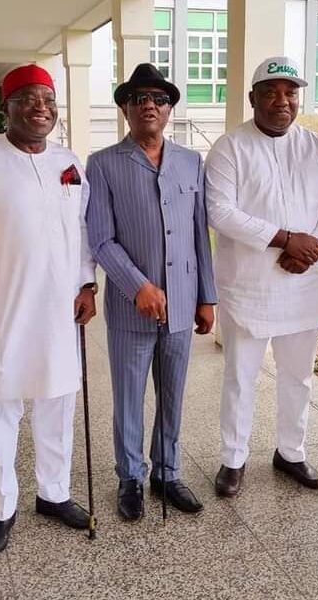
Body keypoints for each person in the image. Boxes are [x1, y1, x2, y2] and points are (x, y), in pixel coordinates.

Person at [0, 64, 97, 555]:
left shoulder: (69, 162)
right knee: (1, 410)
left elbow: (82, 230)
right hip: (1, 311)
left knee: (58, 404)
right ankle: (0, 509)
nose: (40, 108)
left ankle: (54, 494)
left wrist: (87, 282)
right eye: (28, 99)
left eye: (48, 100)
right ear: (6, 107)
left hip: (59, 311)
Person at [205, 56, 318, 497]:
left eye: (290, 92)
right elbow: (220, 211)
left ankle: (291, 452)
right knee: (241, 377)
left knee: (298, 377)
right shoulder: (230, 147)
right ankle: (233, 458)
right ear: (253, 98)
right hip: (249, 286)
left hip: (303, 282)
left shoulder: (314, 146)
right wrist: (285, 239)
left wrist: (312, 248)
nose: (282, 101)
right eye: (271, 92)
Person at [86, 63, 217, 521]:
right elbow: (100, 238)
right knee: (128, 398)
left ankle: (167, 471)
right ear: (125, 108)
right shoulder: (103, 164)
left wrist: (206, 297)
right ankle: (130, 477)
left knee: (173, 394)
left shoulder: (191, 161)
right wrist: (137, 285)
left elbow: (199, 233)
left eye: (159, 99)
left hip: (182, 303)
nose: (149, 105)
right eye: (139, 98)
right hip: (131, 309)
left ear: (169, 109)